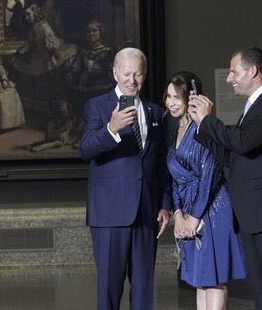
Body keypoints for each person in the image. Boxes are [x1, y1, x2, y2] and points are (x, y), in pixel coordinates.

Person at [189, 47, 262, 310]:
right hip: (253, 213)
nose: (229, 78)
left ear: (252, 71)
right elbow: (233, 158)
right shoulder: (256, 105)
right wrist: (201, 125)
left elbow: (242, 142)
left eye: (233, 71)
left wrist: (209, 120)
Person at [79, 47, 171, 310]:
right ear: (115, 73)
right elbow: (85, 149)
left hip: (146, 214)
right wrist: (112, 129)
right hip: (109, 215)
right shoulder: (97, 106)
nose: (132, 80)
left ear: (145, 75)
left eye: (138, 74)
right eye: (127, 73)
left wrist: (165, 204)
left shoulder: (154, 112)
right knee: (109, 290)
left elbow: (160, 165)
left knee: (143, 293)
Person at [164, 71, 246, 310]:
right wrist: (178, 215)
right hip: (189, 210)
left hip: (213, 207)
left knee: (213, 279)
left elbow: (209, 176)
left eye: (177, 97)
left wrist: (194, 217)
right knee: (199, 280)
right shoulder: (172, 133)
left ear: (192, 98)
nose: (171, 102)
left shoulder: (204, 128)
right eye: (168, 96)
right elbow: (175, 179)